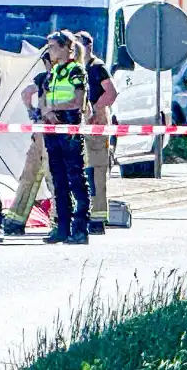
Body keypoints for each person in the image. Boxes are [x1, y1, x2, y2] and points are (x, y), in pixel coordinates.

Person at [42, 31, 91, 245]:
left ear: (65, 48)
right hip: (53, 128)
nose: (50, 51)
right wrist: (47, 111)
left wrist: (54, 108)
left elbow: (78, 101)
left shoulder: (76, 70)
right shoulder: (54, 72)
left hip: (69, 127)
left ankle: (80, 229)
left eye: (53, 46)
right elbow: (45, 99)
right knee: (58, 179)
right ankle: (62, 227)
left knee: (75, 179)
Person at [2, 51, 56, 235]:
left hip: (40, 134)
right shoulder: (57, 78)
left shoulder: (42, 78)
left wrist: (31, 111)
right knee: (53, 177)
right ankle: (59, 220)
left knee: (30, 178)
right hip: (51, 134)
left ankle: (15, 222)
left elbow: (26, 93)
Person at [76, 31, 118, 235]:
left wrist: (94, 109)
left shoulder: (97, 67)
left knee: (97, 170)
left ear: (89, 46)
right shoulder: (76, 68)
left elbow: (111, 92)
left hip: (97, 121)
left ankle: (98, 218)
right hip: (82, 122)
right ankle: (84, 214)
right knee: (83, 170)